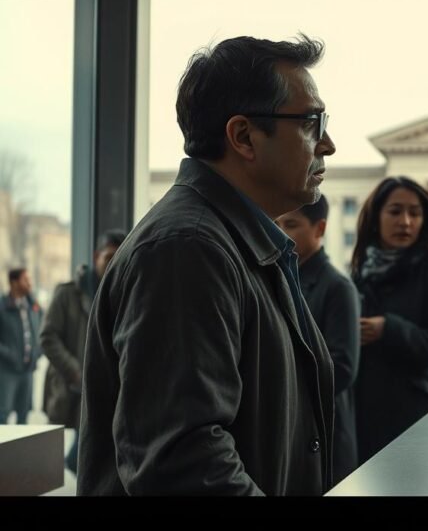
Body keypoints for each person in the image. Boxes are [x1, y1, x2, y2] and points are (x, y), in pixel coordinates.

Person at [78, 34, 337, 495]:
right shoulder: (188, 248)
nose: (328, 144)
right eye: (312, 123)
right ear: (243, 137)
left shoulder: (233, 242)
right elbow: (183, 463)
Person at [350, 176, 428, 465]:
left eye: (414, 213)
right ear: (376, 217)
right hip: (364, 419)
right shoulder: (359, 275)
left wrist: (389, 329)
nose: (405, 221)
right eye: (395, 211)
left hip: (421, 417)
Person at [276, 195, 361, 484]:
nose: (280, 231)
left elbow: (343, 369)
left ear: (319, 228)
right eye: (275, 223)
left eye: (291, 224)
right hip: (288, 431)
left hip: (324, 432)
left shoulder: (338, 287)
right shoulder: (280, 277)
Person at [40, 229, 125, 474]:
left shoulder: (119, 292)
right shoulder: (67, 293)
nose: (114, 265)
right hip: (71, 385)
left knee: (89, 449)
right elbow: (47, 337)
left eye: (119, 258)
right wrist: (75, 371)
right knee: (69, 455)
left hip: (101, 385)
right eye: (109, 258)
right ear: (96, 256)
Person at [0, 268, 42, 425]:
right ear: (13, 282)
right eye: (25, 280)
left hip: (27, 371)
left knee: (24, 415)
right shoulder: (2, 306)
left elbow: (43, 330)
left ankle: (19, 450)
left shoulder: (33, 305)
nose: (30, 284)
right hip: (6, 372)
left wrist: (37, 353)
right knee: (2, 415)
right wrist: (10, 355)